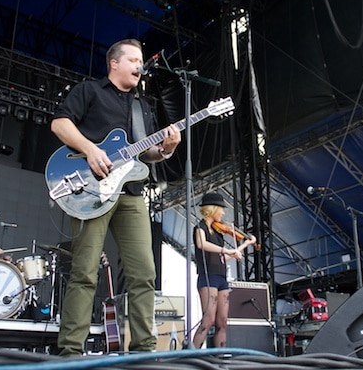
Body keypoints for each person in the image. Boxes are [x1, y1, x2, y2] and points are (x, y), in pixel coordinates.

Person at [51, 38, 181, 356]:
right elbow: (59, 124)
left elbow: (145, 154)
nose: (140, 65)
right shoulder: (90, 91)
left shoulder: (142, 106)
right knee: (84, 271)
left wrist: (167, 150)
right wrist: (90, 149)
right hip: (91, 192)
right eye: (134, 60)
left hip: (131, 194)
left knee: (144, 273)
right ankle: (70, 351)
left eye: (141, 61)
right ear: (114, 63)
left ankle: (143, 349)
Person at [192, 192, 257, 348]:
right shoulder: (200, 228)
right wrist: (226, 250)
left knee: (222, 322)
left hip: (221, 277)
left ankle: (221, 357)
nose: (223, 214)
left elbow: (222, 258)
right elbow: (202, 244)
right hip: (208, 277)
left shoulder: (218, 233)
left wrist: (244, 245)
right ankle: (189, 354)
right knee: (208, 320)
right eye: (221, 209)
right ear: (212, 209)